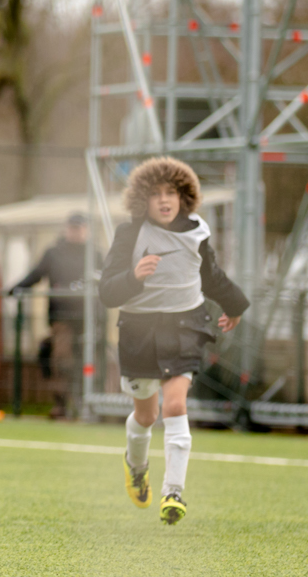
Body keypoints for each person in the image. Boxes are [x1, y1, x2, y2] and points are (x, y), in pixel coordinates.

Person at [98, 156, 247, 526]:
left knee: (175, 405)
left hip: (185, 326)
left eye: (172, 193)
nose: (164, 200)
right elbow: (107, 293)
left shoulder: (198, 230)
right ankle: (136, 466)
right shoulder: (129, 234)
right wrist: (133, 276)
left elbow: (211, 276)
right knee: (146, 415)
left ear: (184, 197)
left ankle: (174, 492)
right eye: (156, 194)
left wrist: (235, 304)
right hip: (139, 331)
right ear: (142, 201)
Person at [10, 211, 92, 418]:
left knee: (87, 360)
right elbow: (36, 274)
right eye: (73, 227)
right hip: (61, 318)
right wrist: (17, 288)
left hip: (90, 319)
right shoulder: (54, 253)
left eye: (80, 228)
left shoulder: (94, 254)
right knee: (59, 359)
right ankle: (63, 404)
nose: (76, 232)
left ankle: (86, 405)